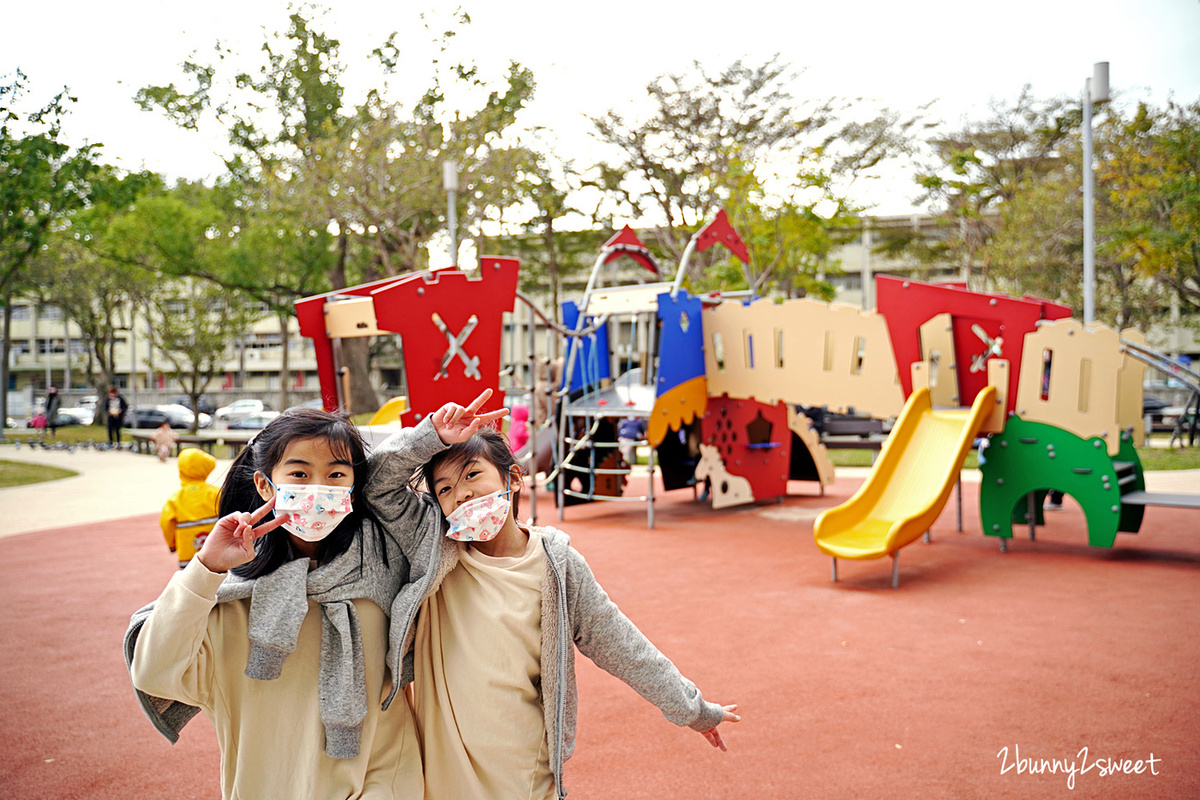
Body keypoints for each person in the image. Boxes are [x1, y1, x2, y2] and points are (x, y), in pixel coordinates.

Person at [126, 399, 502, 799]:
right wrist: (205, 570)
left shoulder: (384, 563)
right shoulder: (224, 599)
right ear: (264, 484)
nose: (318, 488)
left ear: (353, 489)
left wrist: (431, 438)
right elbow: (154, 673)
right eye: (299, 473)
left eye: (336, 473)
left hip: (387, 784)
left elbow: (385, 479)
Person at [367, 416, 739, 800]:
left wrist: (690, 706)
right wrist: (431, 436)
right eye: (444, 488)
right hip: (442, 771)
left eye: (472, 475)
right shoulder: (432, 546)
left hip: (522, 770)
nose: (460, 494)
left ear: (512, 478)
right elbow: (376, 483)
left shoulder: (557, 567)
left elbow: (621, 642)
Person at [159, 448, 222, 569]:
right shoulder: (216, 493)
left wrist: (172, 544)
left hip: (187, 553)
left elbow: (166, 523)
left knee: (191, 583)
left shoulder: (175, 499)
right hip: (217, 550)